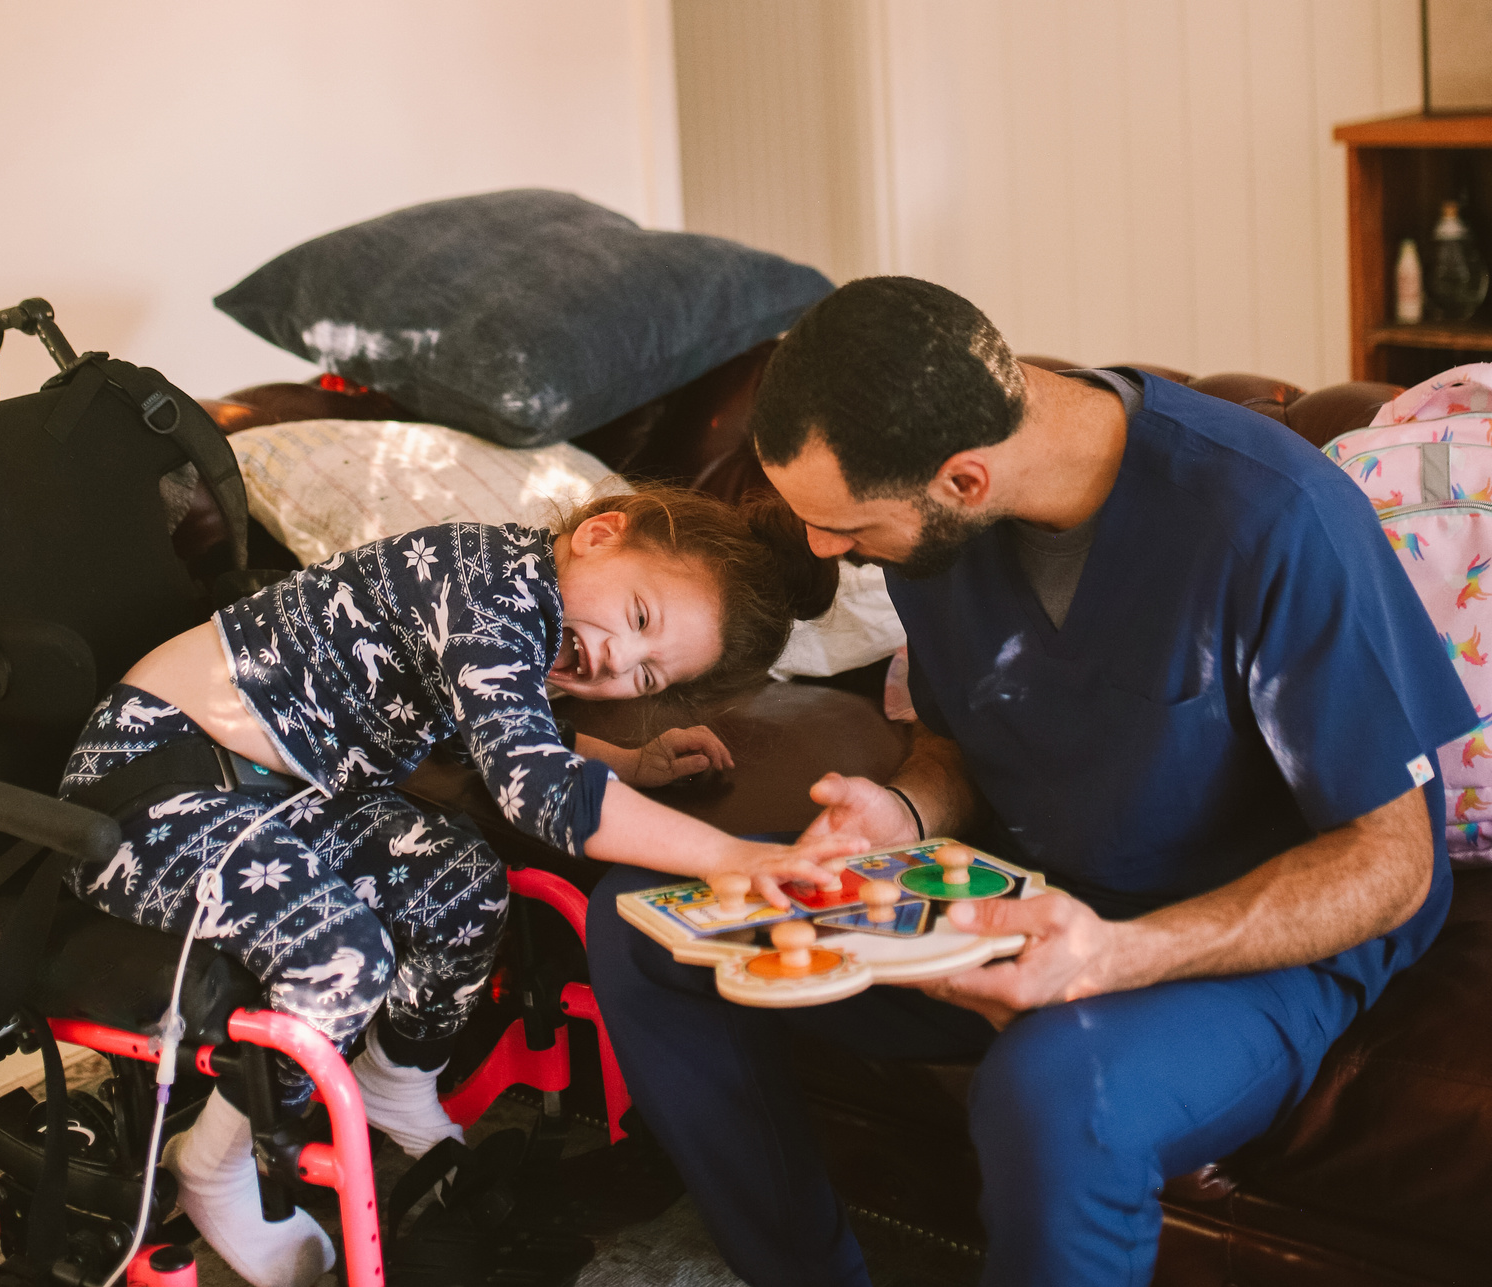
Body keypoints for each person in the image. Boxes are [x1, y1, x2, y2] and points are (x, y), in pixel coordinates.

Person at [587, 276, 1478, 1287]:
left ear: (963, 480)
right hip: (1026, 890)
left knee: (1052, 1088)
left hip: (1245, 942)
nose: (825, 551)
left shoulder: (1272, 518)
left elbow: (1391, 862)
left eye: (845, 527)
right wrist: (903, 808)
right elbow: (961, 735)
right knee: (643, 920)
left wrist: (1116, 956)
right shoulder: (940, 522)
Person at [58, 489, 855, 1287]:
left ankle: (396, 1077)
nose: (619, 660)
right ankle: (218, 1163)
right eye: (640, 616)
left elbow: (500, 727)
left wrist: (627, 760)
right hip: (152, 782)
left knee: (465, 882)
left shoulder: (530, 606)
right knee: (342, 955)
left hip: (284, 792)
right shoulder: (483, 581)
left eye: (648, 672)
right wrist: (726, 855)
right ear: (600, 535)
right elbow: (533, 781)